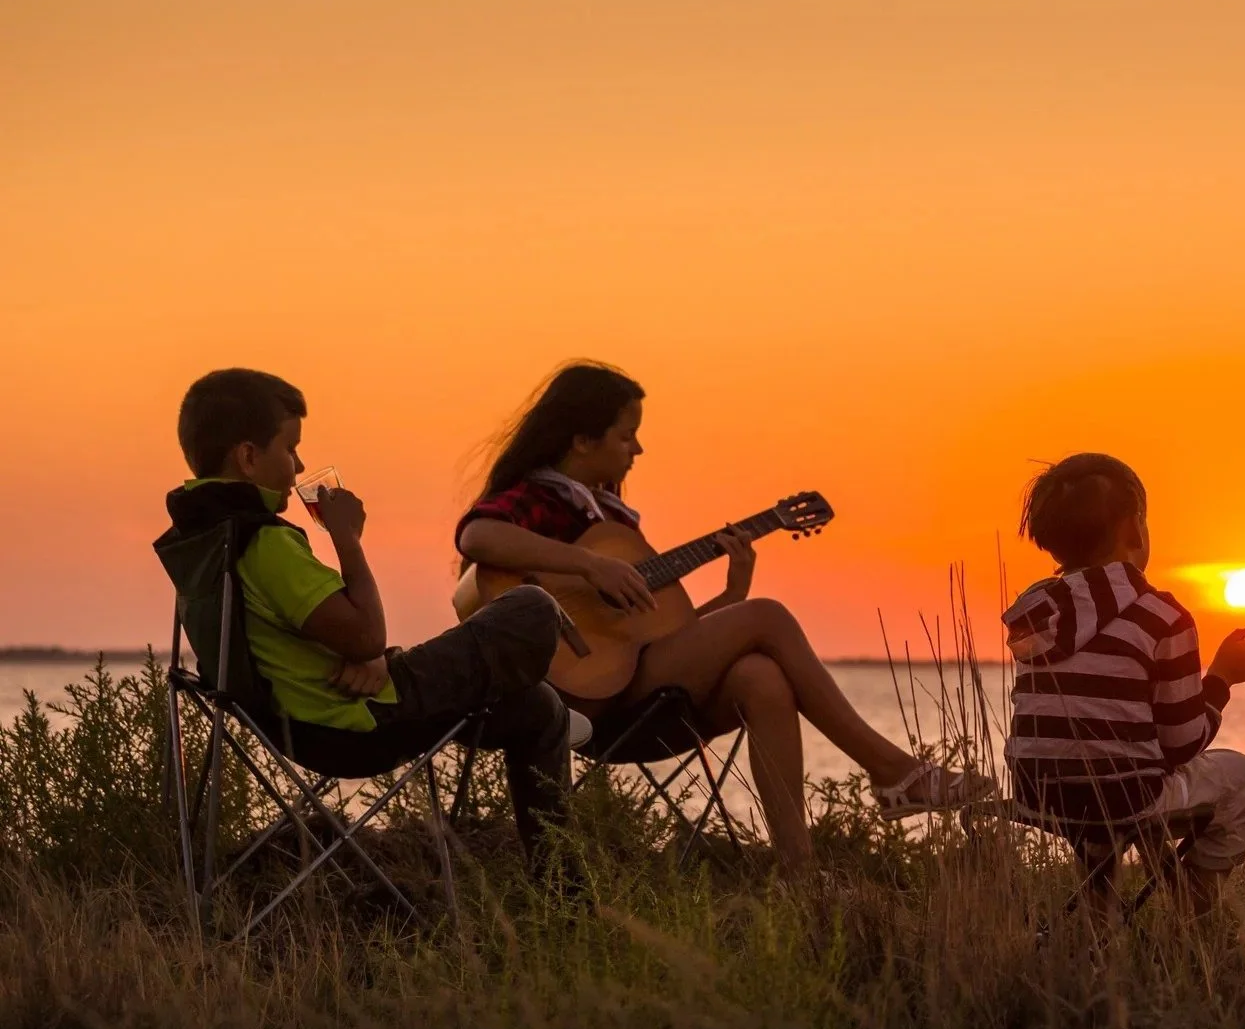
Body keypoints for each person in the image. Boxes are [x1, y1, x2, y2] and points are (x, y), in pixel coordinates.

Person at [453, 362, 990, 874]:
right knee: (771, 616)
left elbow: (652, 640)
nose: (638, 448)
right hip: (569, 705)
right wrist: (588, 564)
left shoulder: (614, 522)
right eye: (625, 435)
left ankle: (798, 874)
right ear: (581, 440)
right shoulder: (539, 500)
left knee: (762, 678)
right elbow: (477, 536)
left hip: (636, 699)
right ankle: (892, 771)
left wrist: (733, 594)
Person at [158, 368, 580, 873]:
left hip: (311, 719)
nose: (299, 466)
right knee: (531, 605)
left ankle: (564, 890)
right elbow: (365, 634)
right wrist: (347, 540)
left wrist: (371, 657)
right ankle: (567, 888)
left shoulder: (201, 537)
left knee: (536, 709)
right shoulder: (263, 542)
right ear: (248, 457)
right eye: (290, 449)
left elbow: (322, 640)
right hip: (361, 725)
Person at [1003, 453, 1245, 915]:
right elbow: (1183, 744)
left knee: (1111, 772)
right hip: (1121, 797)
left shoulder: (1032, 613)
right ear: (1135, 528)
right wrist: (1222, 679)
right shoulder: (1162, 616)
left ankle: (1099, 910)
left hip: (1037, 790)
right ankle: (1194, 903)